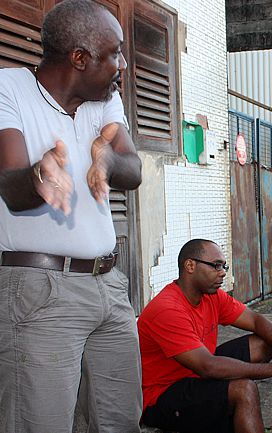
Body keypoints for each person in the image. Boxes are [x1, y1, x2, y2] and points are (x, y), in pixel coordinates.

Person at [0, 1, 143, 431]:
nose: (122, 65)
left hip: (110, 287)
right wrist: (40, 176)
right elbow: (10, 184)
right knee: (39, 424)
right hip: (40, 294)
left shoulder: (104, 99)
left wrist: (106, 165)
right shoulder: (10, 88)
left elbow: (132, 170)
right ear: (80, 58)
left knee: (121, 421)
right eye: (114, 53)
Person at [138, 239, 272, 433]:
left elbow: (255, 320)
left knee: (263, 344)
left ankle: (227, 410)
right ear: (190, 265)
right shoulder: (168, 309)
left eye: (224, 266)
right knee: (244, 390)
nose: (222, 272)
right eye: (216, 265)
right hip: (162, 396)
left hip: (195, 373)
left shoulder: (211, 296)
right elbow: (208, 366)